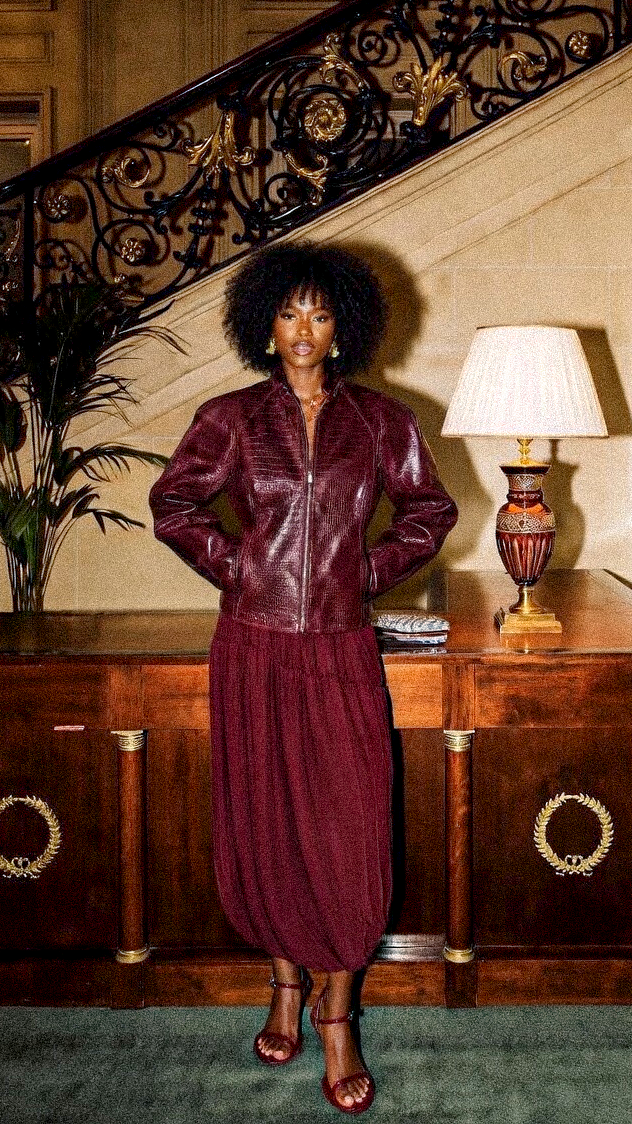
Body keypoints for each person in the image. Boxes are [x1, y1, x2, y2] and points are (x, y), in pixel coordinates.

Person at [149, 242, 457, 1115]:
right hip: (251, 643)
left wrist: (366, 571)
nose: (303, 331)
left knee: (348, 824)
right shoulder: (231, 418)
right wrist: (239, 565)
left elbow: (430, 510)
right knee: (266, 818)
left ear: (344, 325)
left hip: (339, 645)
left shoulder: (383, 422)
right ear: (263, 322)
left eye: (320, 314)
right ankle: (286, 984)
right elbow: (174, 504)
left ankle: (339, 1013)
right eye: (288, 312)